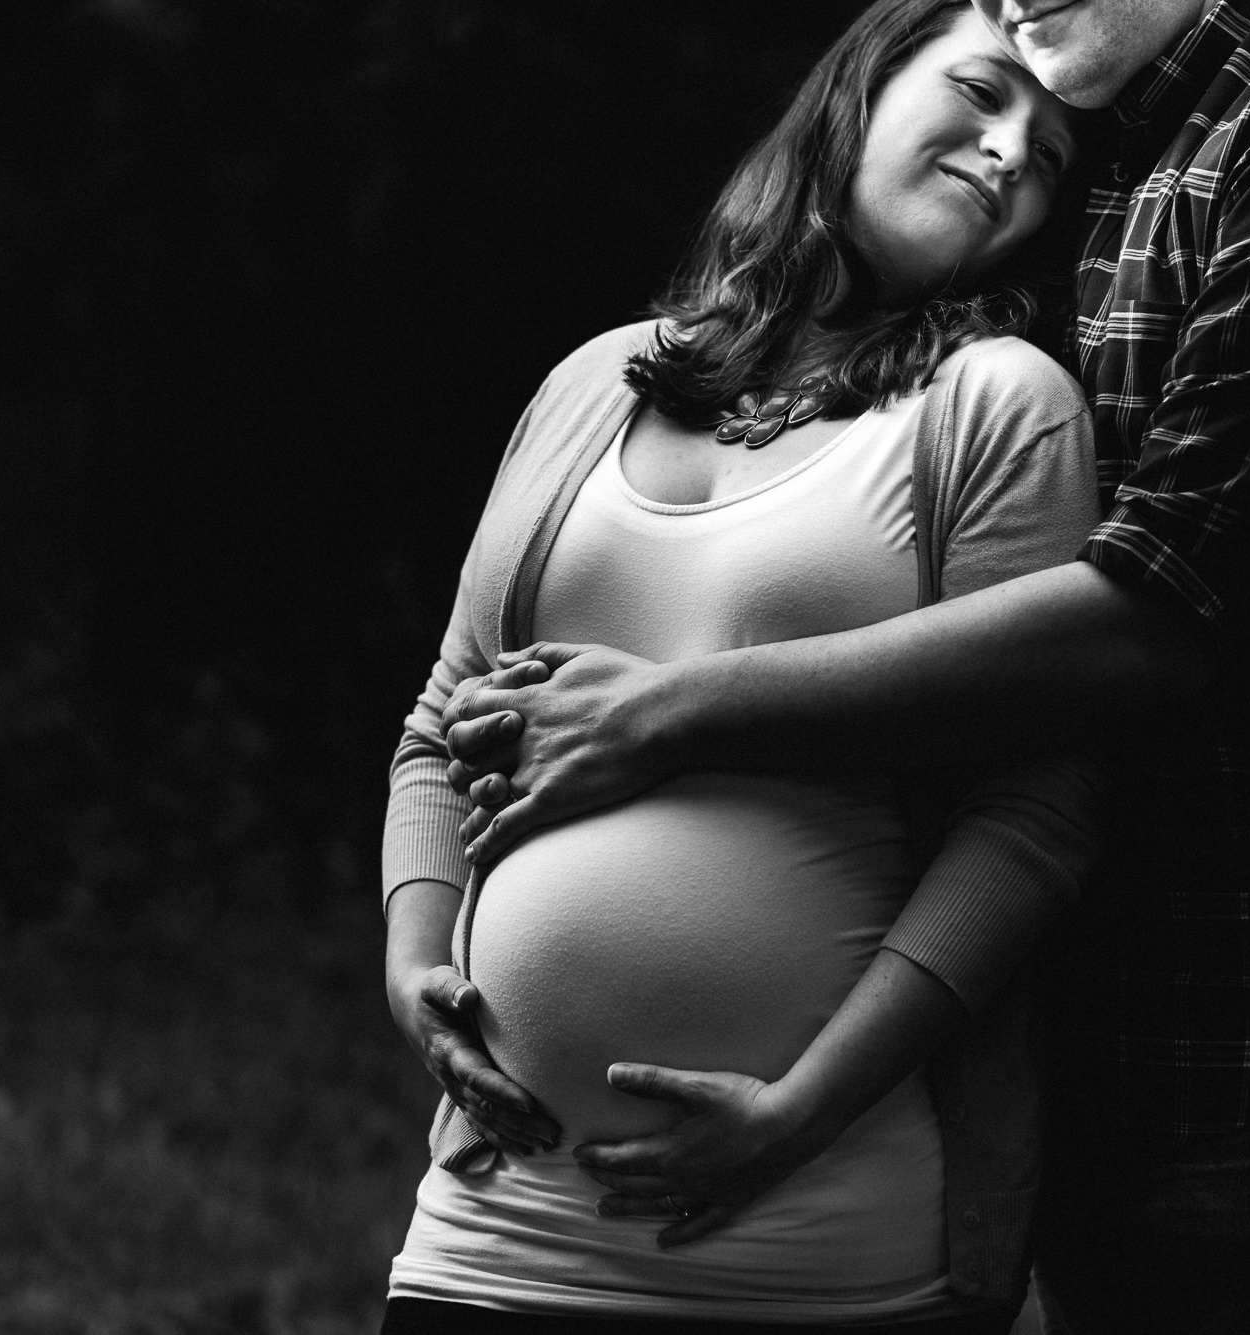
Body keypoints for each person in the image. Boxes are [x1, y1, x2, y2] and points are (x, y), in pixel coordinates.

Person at [441, 1, 1250, 1330]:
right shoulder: (1103, 159)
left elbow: (1169, 610)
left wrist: (670, 713)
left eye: (1030, 152)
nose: (1008, 152)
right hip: (1074, 1036)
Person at [381, 2, 1099, 1329]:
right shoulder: (597, 384)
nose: (1010, 154)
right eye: (985, 94)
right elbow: (442, 722)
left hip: (820, 1247)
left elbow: (1030, 819)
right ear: (860, 92)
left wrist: (799, 1113)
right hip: (493, 1229)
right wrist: (412, 954)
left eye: (1051, 156)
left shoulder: (998, 405)